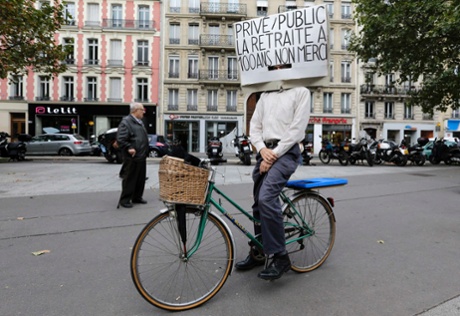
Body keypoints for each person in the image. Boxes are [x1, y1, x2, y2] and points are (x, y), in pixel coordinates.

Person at [235, 86, 311, 280]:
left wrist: (273, 156)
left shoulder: (301, 91)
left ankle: (281, 256)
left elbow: (297, 129)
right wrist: (261, 150)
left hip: (286, 152)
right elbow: (255, 127)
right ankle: (260, 251)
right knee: (258, 203)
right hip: (266, 152)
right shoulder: (266, 95)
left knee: (266, 198)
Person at [116, 102, 149, 208]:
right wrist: (129, 147)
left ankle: (137, 197)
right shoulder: (126, 122)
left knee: (140, 179)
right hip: (132, 156)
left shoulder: (139, 122)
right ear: (135, 110)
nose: (143, 112)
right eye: (142, 110)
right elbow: (121, 138)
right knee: (130, 179)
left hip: (141, 155)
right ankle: (125, 199)